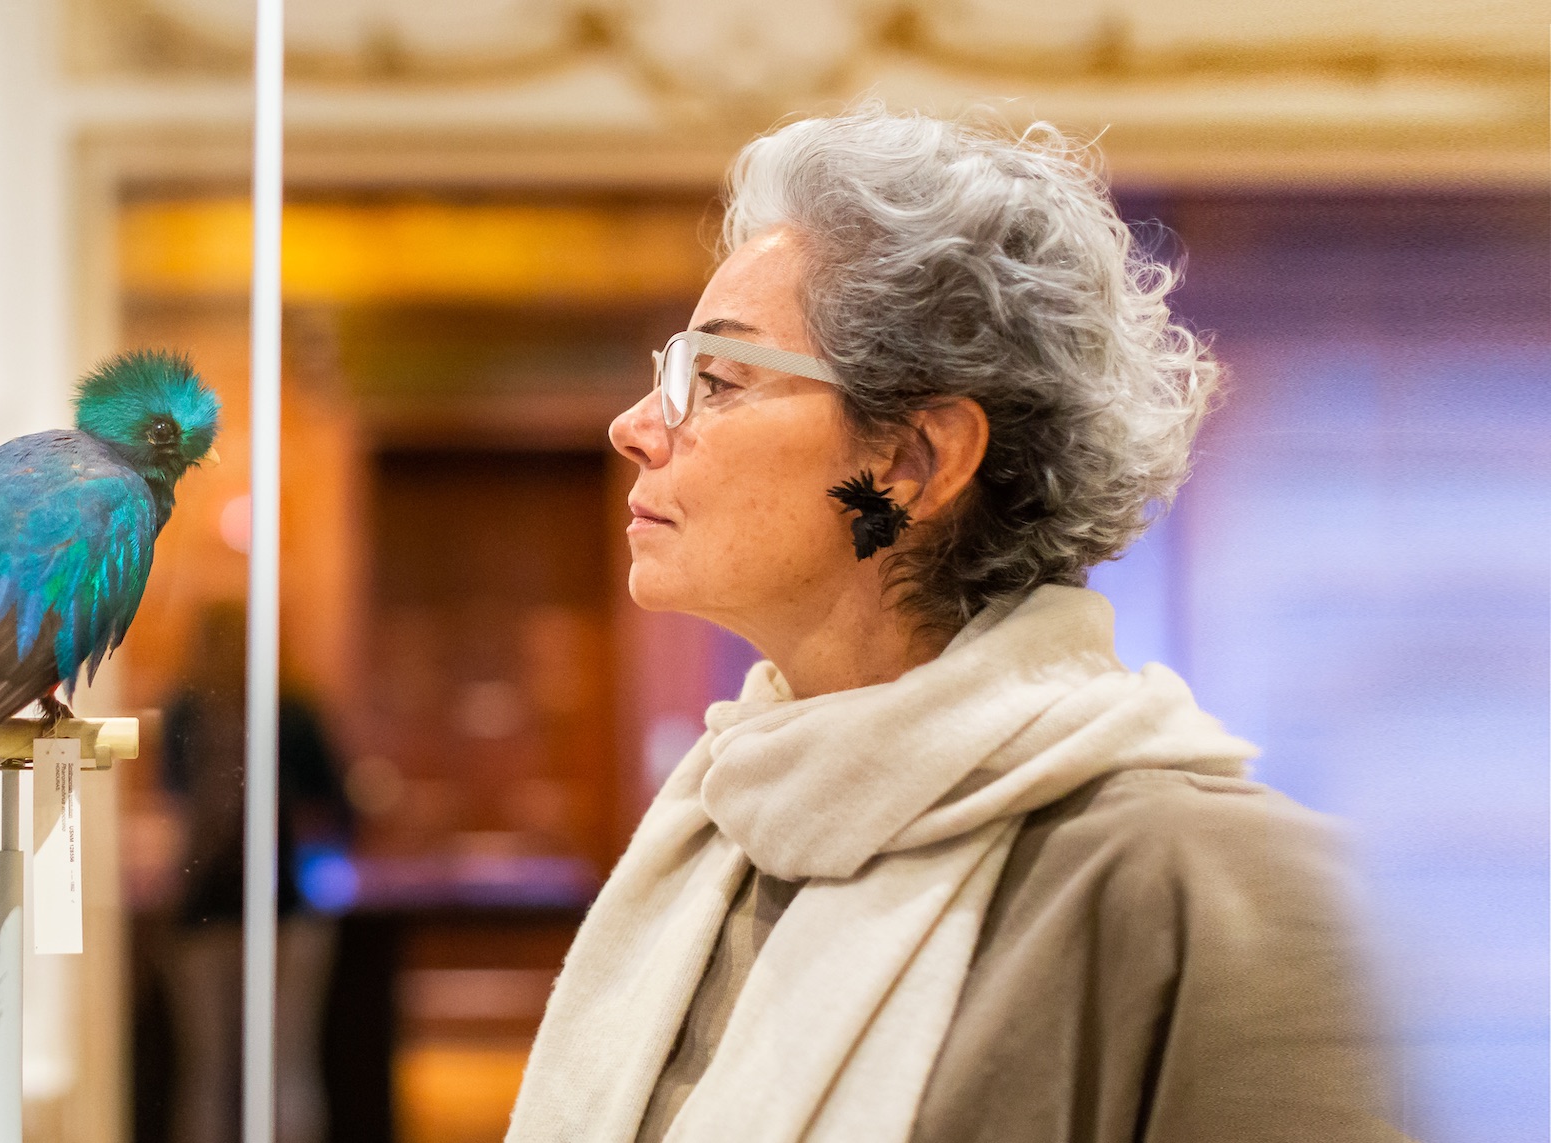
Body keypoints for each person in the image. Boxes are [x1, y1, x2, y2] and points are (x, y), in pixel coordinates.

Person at [506, 108, 1407, 1142]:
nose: (635, 427)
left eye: (714, 379)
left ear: (905, 466)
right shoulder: (723, 824)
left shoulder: (1222, 885)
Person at [158, 603, 354, 1143]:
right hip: (283, 899)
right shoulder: (290, 706)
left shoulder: (187, 709)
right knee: (287, 1061)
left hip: (204, 900)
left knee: (206, 1073)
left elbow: (173, 796)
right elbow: (336, 805)